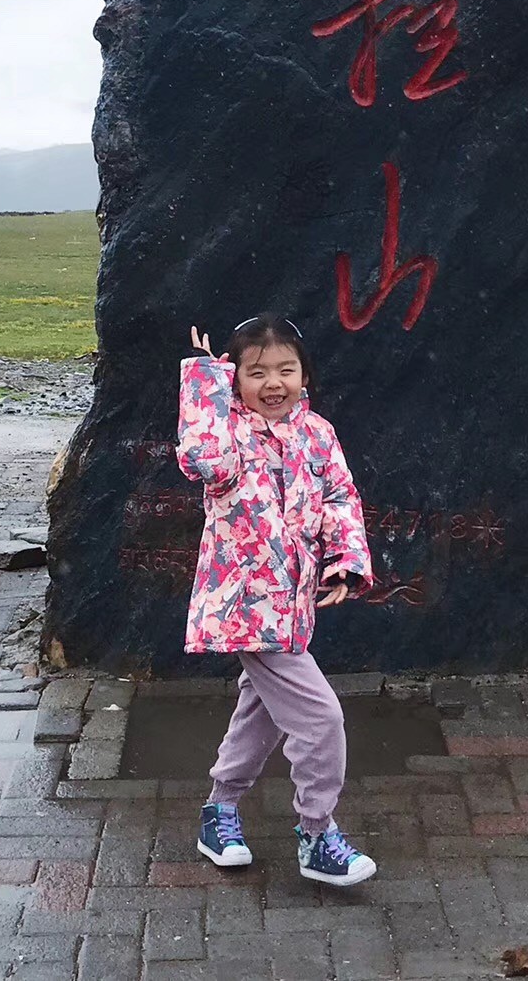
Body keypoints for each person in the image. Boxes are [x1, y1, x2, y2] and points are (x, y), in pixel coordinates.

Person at [176, 312, 377, 886]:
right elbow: (200, 459)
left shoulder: (318, 434)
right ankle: (317, 834)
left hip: (293, 606)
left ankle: (219, 811)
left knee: (260, 713)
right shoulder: (229, 436)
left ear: (304, 375)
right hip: (246, 607)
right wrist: (203, 382)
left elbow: (340, 497)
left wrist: (345, 563)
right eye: (255, 371)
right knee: (320, 719)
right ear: (234, 379)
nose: (272, 383)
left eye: (285, 369)